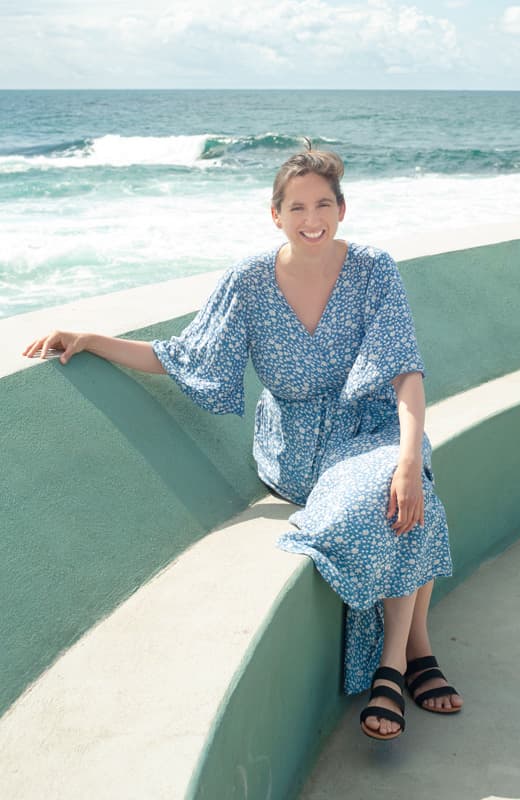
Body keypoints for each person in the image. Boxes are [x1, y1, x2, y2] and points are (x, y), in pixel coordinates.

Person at [23, 147, 463, 740]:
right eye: (298, 206)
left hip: (374, 428)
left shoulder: (374, 268)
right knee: (381, 503)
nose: (313, 218)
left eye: (324, 204)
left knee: (404, 491)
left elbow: (404, 371)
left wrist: (409, 457)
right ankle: (420, 653)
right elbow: (184, 356)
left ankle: (393, 665)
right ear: (275, 214)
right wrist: (93, 339)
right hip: (297, 452)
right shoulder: (249, 281)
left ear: (342, 208)